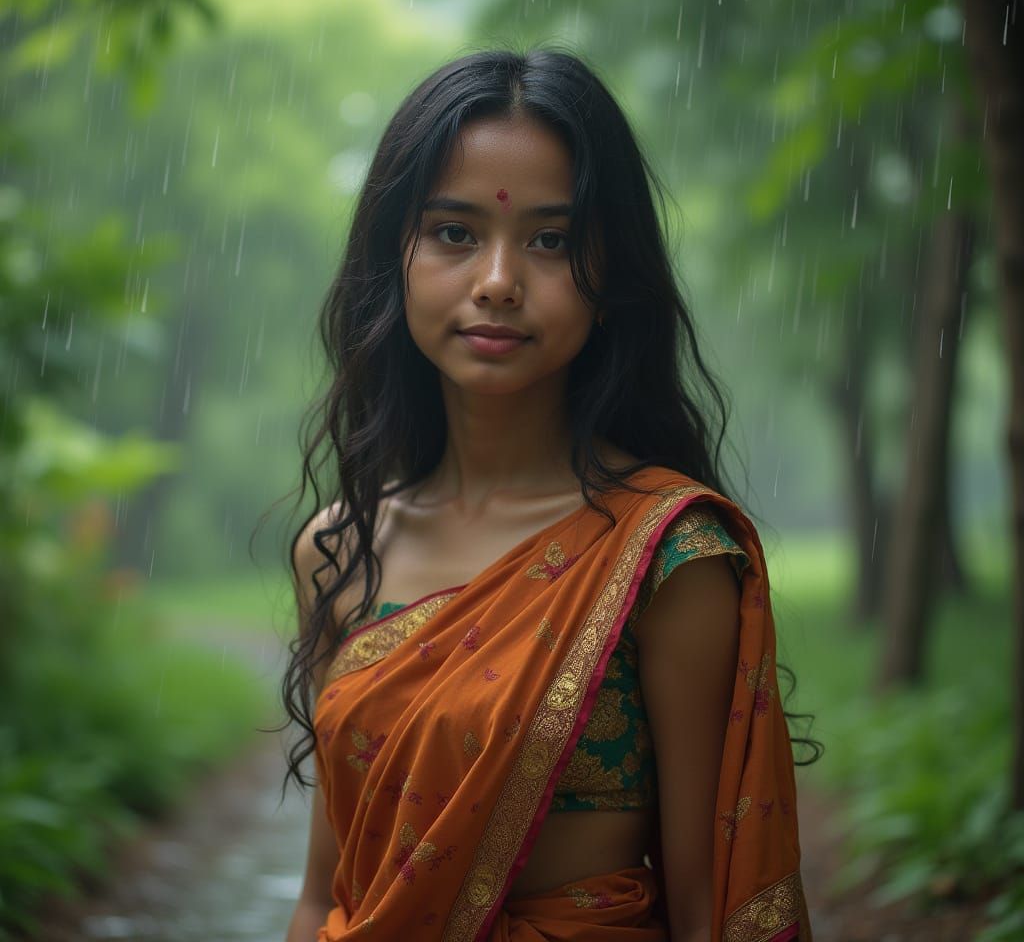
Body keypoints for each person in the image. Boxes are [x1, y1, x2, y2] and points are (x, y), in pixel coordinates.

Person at [281, 48, 814, 942]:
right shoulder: (339, 550)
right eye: (454, 233)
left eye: (551, 241)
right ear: (395, 260)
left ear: (613, 282)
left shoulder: (669, 555)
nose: (497, 280)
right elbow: (324, 893)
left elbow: (704, 898)